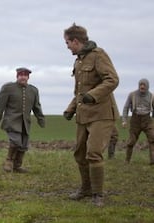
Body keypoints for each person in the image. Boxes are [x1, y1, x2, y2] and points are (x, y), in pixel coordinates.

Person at [63, 23, 120, 207]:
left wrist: (93, 96)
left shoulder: (98, 55)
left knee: (93, 152)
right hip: (84, 114)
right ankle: (86, 189)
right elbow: (80, 91)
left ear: (76, 41)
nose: (67, 46)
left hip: (102, 113)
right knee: (80, 153)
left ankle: (98, 194)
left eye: (67, 42)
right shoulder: (79, 60)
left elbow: (112, 79)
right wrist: (71, 108)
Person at [0, 67, 45, 173]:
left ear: (28, 77)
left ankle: (17, 166)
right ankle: (9, 161)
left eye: (25, 75)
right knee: (15, 142)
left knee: (24, 145)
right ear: (17, 76)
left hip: (25, 122)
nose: (23, 77)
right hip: (11, 121)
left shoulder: (33, 90)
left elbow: (36, 106)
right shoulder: (8, 88)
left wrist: (40, 118)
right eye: (21, 75)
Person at [122, 78, 154, 165]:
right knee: (131, 141)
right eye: (141, 85)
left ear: (147, 86)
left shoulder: (151, 96)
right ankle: (127, 160)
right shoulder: (132, 95)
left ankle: (152, 161)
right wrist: (124, 120)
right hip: (135, 120)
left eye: (144, 85)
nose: (142, 86)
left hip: (147, 120)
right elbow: (126, 107)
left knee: (152, 139)